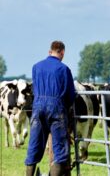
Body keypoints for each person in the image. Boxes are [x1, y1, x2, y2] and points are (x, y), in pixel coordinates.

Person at [25, 41, 76, 176]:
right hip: (56, 108)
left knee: (34, 145)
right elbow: (71, 94)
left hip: (38, 108)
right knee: (60, 149)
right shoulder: (64, 69)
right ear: (62, 53)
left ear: (49, 51)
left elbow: (34, 89)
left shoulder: (36, 67)